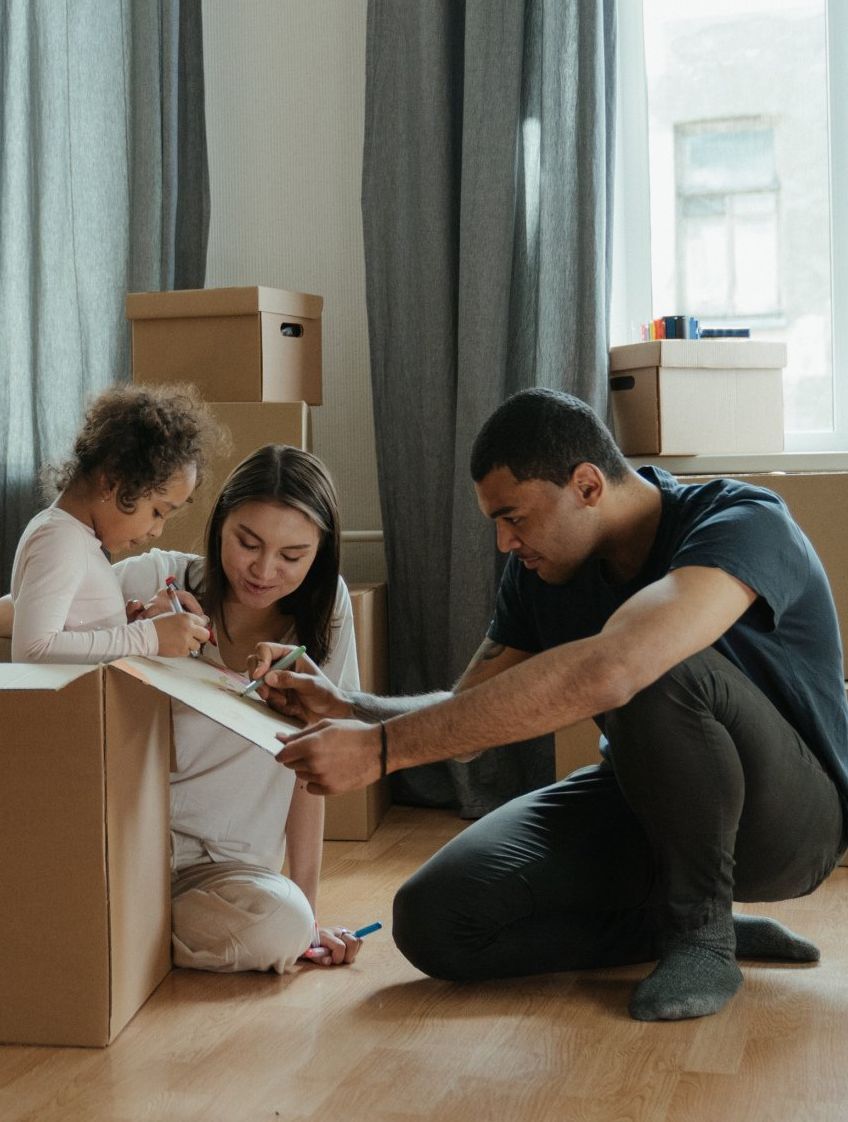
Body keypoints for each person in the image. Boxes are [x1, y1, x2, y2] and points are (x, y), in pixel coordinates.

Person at [251, 388, 848, 1020]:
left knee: (655, 663)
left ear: (588, 486)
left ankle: (700, 935)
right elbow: (470, 715)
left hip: (792, 823)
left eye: (516, 518)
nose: (506, 543)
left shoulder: (743, 521)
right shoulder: (540, 572)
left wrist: (383, 752)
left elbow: (619, 666)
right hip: (646, 803)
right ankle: (672, 926)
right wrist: (351, 708)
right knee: (435, 920)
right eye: (496, 524)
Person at [6, 434, 365, 972]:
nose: (264, 571)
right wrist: (129, 626)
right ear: (219, 524)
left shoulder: (327, 610)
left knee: (282, 927)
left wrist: (309, 916)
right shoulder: (158, 576)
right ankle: (104, 931)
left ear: (320, 555)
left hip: (224, 872)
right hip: (123, 848)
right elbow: (24, 616)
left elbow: (313, 769)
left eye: (292, 556)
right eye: (247, 542)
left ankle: (101, 936)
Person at [10, 382, 219, 662]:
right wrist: (148, 637)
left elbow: (74, 638)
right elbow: (33, 650)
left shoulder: (77, 539)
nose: (157, 531)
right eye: (158, 512)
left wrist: (126, 626)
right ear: (111, 481)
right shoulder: (60, 539)